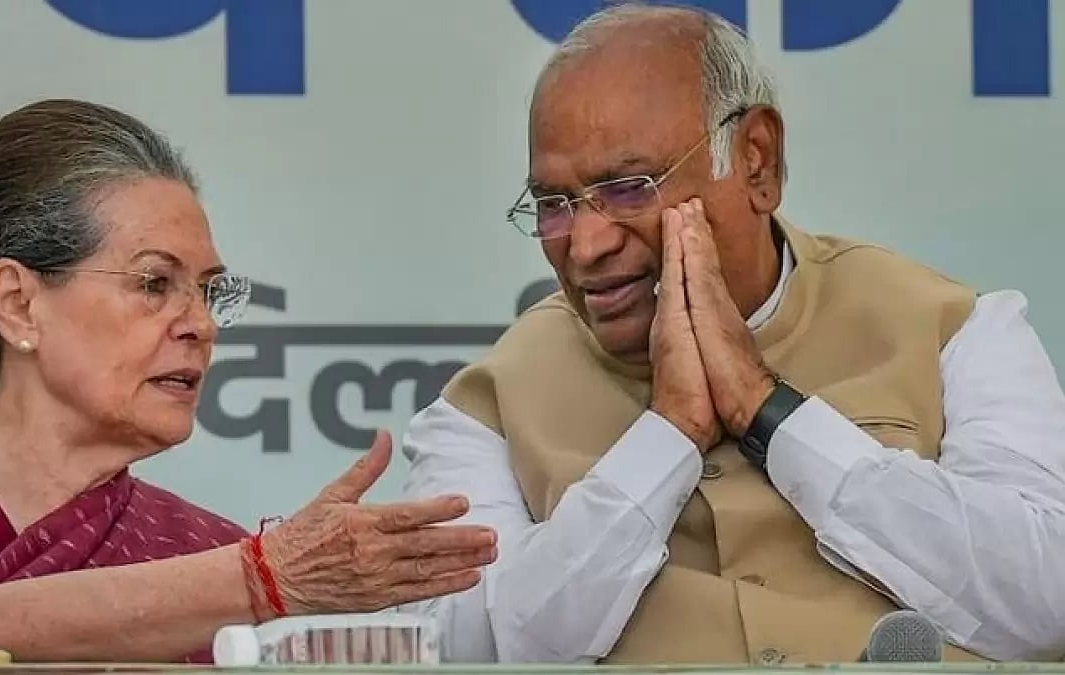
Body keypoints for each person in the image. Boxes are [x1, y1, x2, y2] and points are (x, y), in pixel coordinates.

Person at [401, 3, 1065, 665]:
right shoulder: (486, 406)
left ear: (756, 161)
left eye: (629, 188)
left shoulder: (954, 330)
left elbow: (1047, 606)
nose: (586, 245)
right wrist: (667, 438)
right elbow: (462, 652)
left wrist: (770, 411)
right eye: (554, 205)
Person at [0, 99, 496, 663]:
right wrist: (262, 578)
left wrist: (263, 579)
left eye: (208, 291)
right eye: (154, 283)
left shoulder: (202, 550)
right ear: (19, 304)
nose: (200, 324)